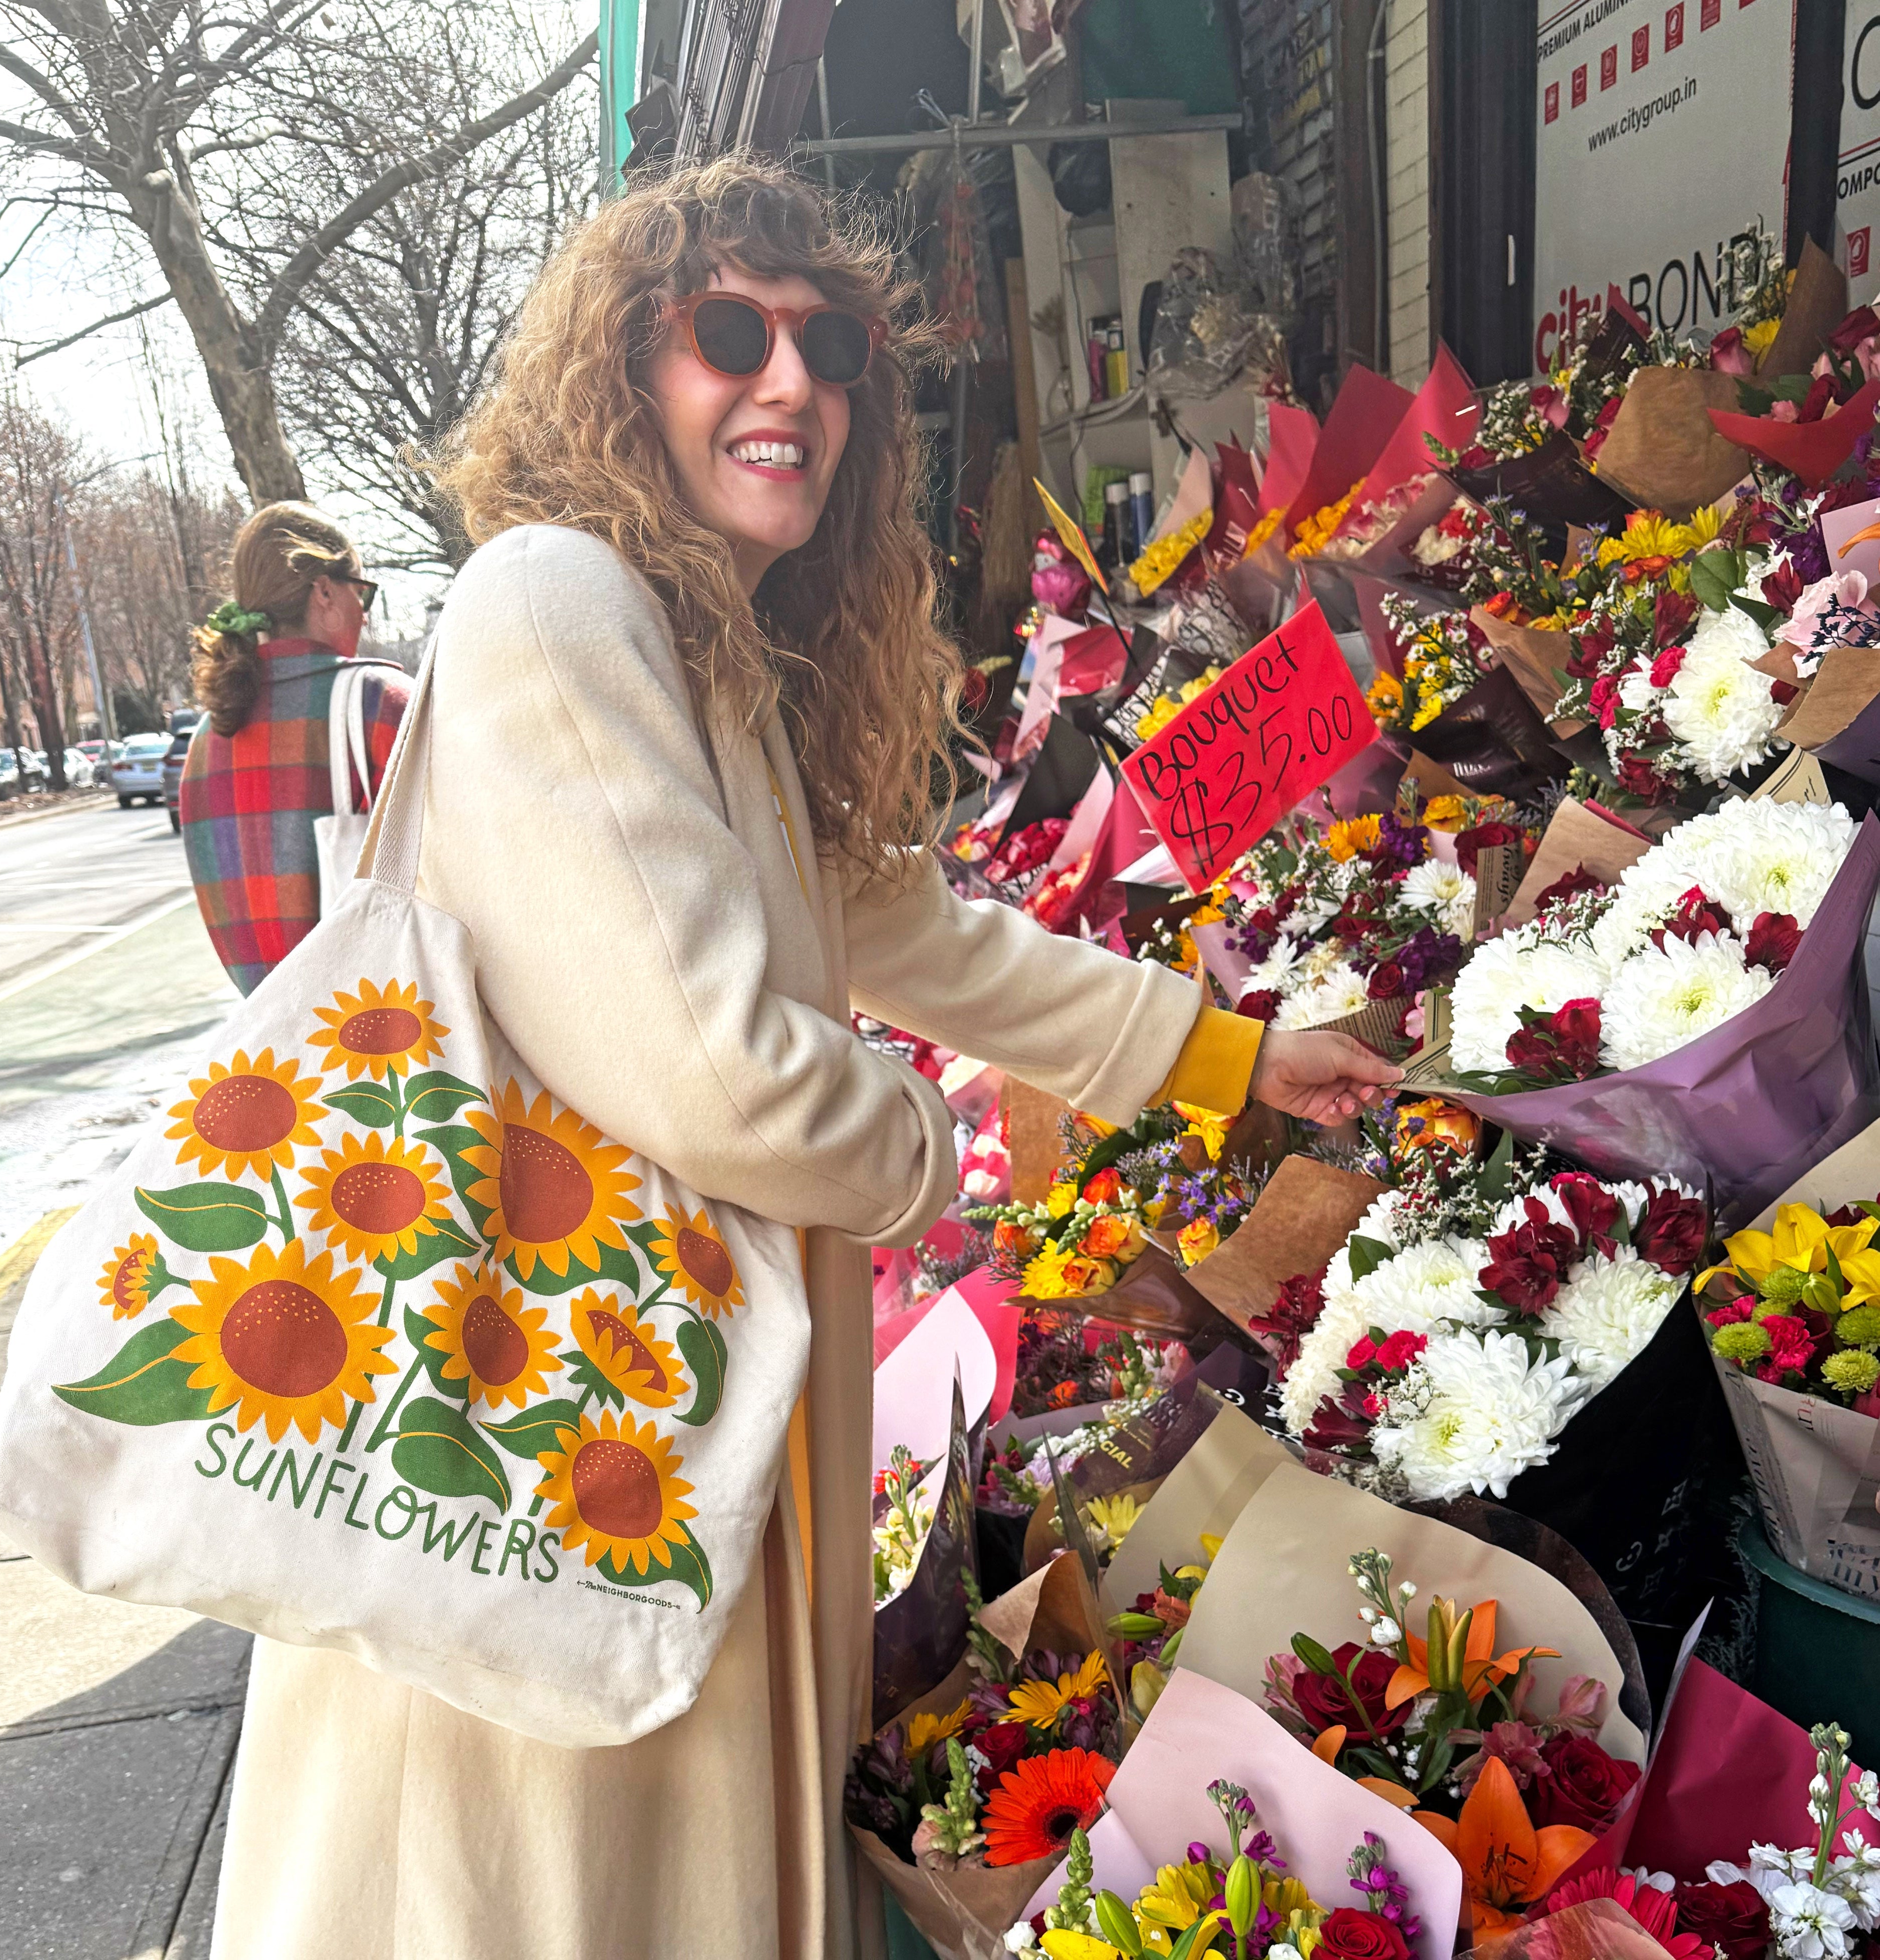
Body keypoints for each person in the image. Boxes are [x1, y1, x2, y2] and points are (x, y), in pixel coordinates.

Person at [209, 159, 1399, 1959]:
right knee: (561, 1890)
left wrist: (1235, 1059)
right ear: (623, 369)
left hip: (668, 1448)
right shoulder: (554, 600)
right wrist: (928, 1144)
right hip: (557, 1467)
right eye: (729, 335)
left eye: (831, 345)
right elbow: (728, 1079)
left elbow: (917, 933)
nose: (792, 383)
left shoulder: (716, 666)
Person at [180, 503, 411, 993]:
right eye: (361, 593)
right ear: (324, 591)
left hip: (279, 1050)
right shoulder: (379, 701)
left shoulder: (209, 736)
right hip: (395, 1031)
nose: (364, 615)